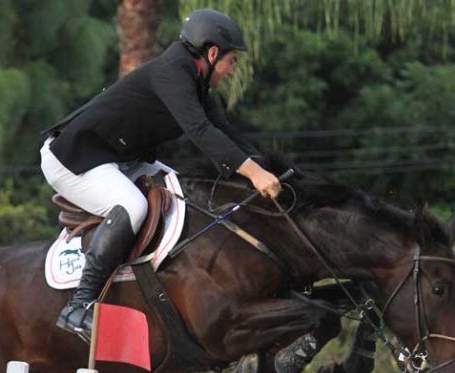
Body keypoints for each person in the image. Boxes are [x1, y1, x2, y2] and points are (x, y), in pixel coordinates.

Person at [39, 8, 282, 342]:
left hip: (120, 158)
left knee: (183, 193)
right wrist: (253, 173)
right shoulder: (173, 73)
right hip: (75, 158)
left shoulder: (194, 81)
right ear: (212, 54)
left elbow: (224, 131)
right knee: (133, 207)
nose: (231, 70)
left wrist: (268, 169)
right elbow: (199, 131)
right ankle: (79, 306)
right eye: (231, 62)